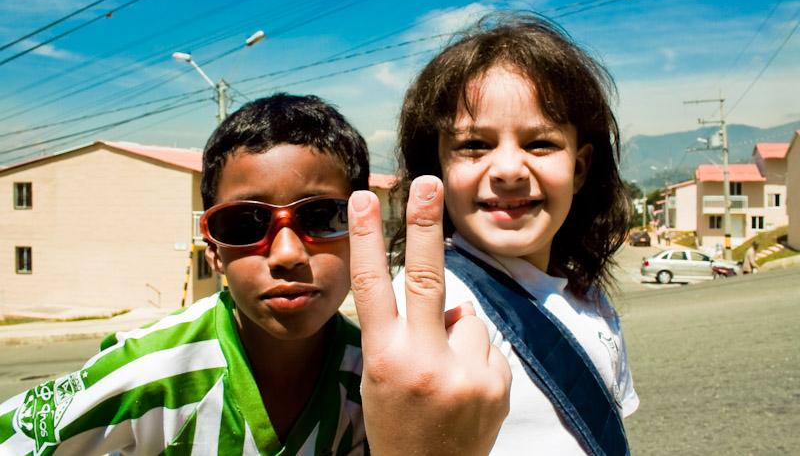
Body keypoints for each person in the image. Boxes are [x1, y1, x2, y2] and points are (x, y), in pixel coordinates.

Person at [0, 94, 510, 455]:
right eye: (245, 223)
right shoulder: (148, 372)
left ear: (362, 233)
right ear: (213, 250)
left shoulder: (384, 385)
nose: (287, 253)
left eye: (321, 217)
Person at [391, 12, 639, 455]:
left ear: (579, 168)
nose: (508, 170)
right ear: (439, 169)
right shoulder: (425, 306)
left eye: (540, 143)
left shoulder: (591, 300)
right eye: (473, 145)